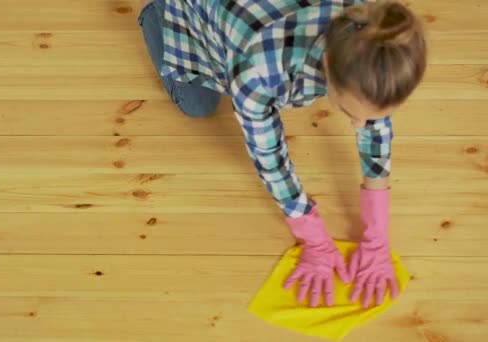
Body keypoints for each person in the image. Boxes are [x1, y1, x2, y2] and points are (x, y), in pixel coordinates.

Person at [137, 0, 427, 308]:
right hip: (208, 12)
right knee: (197, 106)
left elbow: (375, 125)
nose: (360, 124)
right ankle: (158, 12)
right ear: (327, 66)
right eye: (351, 112)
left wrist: (378, 234)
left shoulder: (369, 31)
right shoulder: (256, 72)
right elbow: (270, 158)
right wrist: (313, 237)